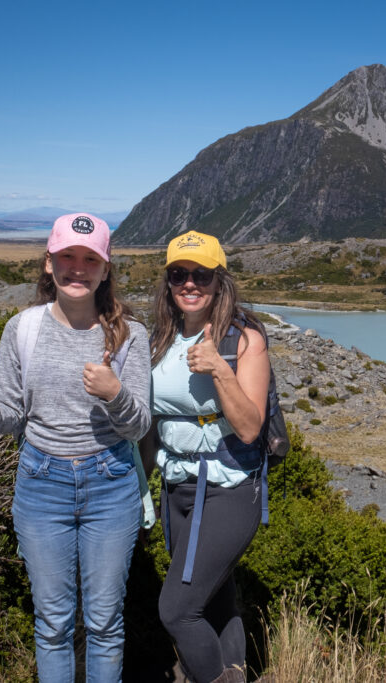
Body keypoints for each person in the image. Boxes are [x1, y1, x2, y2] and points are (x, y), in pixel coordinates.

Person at [0, 212, 152, 683]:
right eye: (67, 257)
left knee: (104, 623)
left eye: (90, 259)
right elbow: (9, 418)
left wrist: (114, 393)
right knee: (53, 624)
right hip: (42, 487)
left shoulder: (131, 337)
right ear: (49, 263)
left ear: (106, 270)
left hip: (111, 485)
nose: (77, 268)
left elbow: (139, 426)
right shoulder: (21, 329)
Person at [144, 230, 271, 683]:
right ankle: (231, 672)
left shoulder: (244, 338)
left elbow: (250, 426)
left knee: (177, 611)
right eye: (179, 274)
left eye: (201, 274)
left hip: (228, 487)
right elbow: (150, 421)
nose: (190, 283)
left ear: (220, 280)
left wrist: (219, 367)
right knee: (214, 599)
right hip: (176, 484)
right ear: (168, 280)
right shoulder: (159, 336)